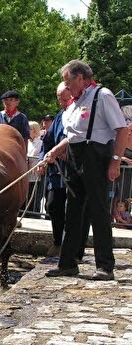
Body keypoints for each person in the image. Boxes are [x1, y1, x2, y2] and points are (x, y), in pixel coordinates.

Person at [44, 59, 129, 281]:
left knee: (98, 209)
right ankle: (68, 264)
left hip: (96, 155)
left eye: (68, 81)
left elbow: (121, 130)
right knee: (72, 210)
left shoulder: (103, 95)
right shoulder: (74, 101)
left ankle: (105, 266)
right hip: (75, 154)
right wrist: (55, 150)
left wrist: (115, 161)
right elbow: (74, 136)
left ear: (80, 77)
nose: (67, 86)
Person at [37, 82, 72, 257]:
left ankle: (71, 247)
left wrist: (67, 152)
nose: (62, 104)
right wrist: (43, 160)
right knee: (52, 206)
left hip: (74, 172)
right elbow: (48, 141)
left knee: (73, 210)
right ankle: (58, 241)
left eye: (65, 100)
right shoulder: (59, 116)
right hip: (57, 173)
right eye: (60, 100)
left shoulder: (80, 114)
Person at [26, 121, 43, 214]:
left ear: (35, 131)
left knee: (35, 194)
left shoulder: (40, 143)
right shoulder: (27, 142)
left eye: (30, 129)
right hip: (26, 172)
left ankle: (34, 212)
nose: (27, 131)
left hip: (35, 173)